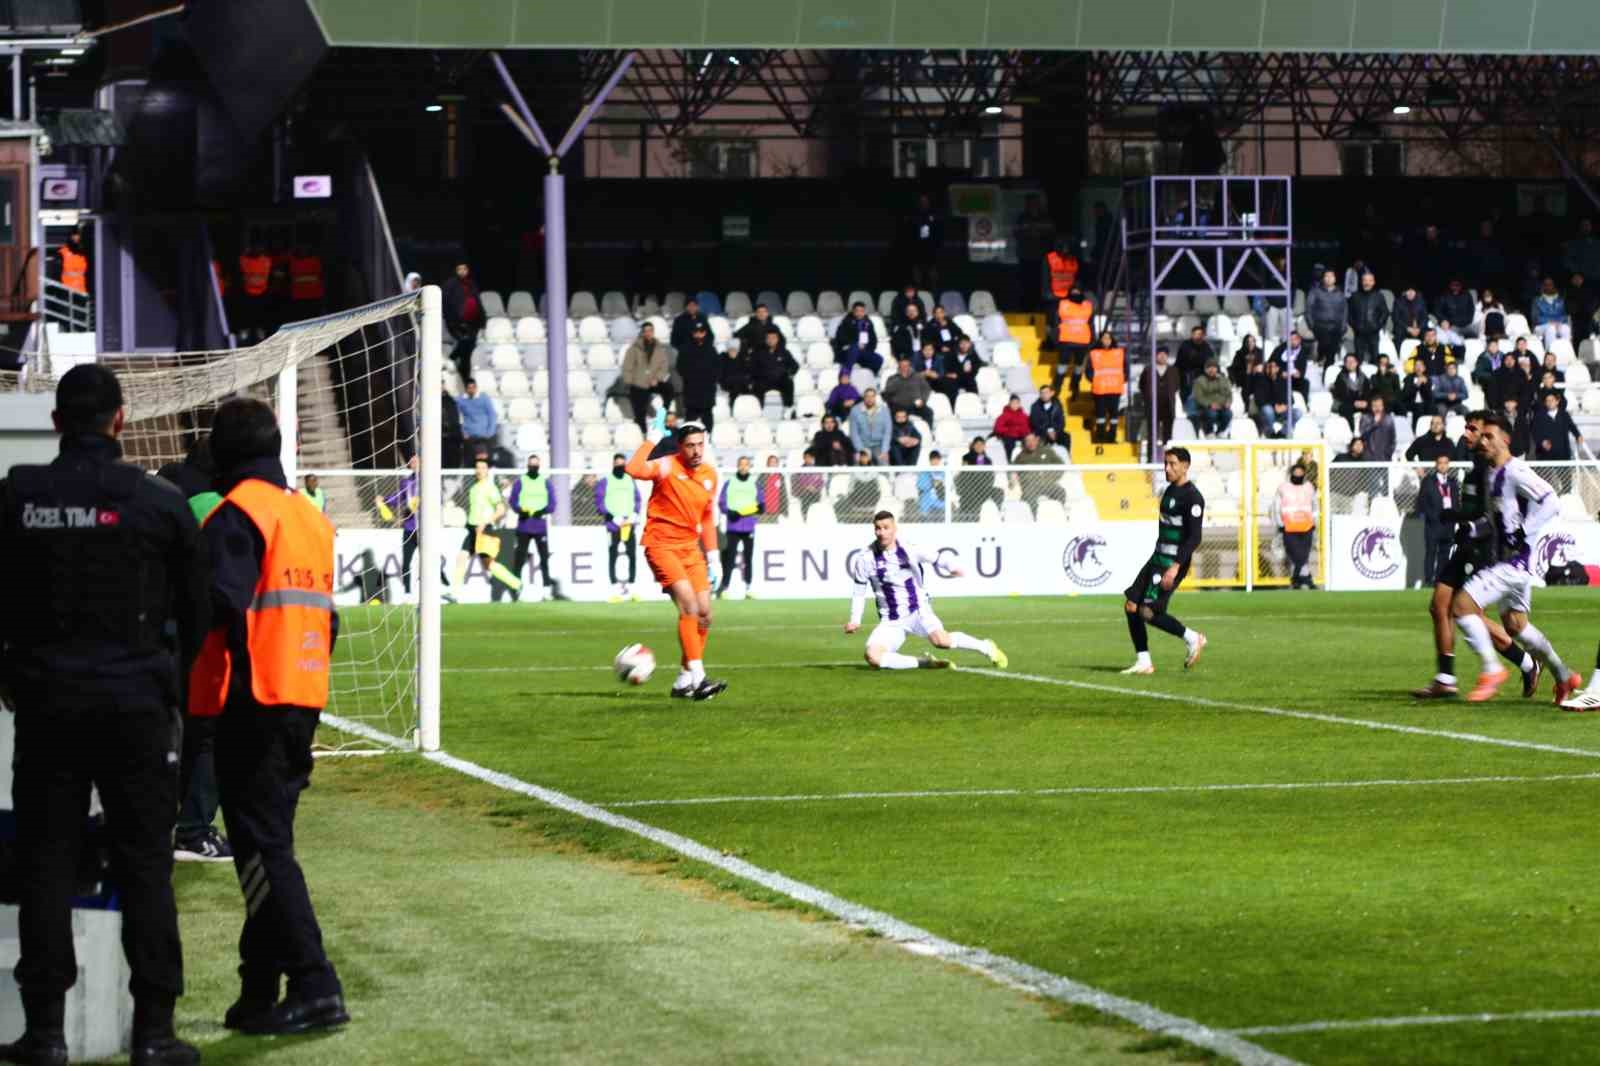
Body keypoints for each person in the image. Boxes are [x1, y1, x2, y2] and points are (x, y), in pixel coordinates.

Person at [0, 366, 210, 1065]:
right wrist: (165, 683)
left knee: (46, 866)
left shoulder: (20, 496)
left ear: (59, 423)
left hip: (47, 704)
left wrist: (12, 673)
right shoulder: (158, 501)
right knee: (145, 866)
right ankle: (153, 1032)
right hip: (135, 711)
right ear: (120, 421)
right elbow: (201, 612)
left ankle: (45, 1033)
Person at [190, 396, 349, 1036]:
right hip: (302, 694)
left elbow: (218, 610)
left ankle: (315, 982)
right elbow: (327, 619)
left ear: (222, 452)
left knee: (262, 850)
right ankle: (258, 989)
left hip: (253, 699)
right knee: (265, 845)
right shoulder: (309, 518)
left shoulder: (238, 515)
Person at [1449, 412, 1582, 703]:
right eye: (1481, 436)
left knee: (1461, 606)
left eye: (1488, 436)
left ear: (1504, 440)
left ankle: (1492, 669)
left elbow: (1550, 500)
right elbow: (1497, 520)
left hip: (1513, 563)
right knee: (1515, 625)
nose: (1483, 440)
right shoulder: (1492, 473)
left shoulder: (1514, 470)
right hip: (1514, 564)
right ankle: (1564, 676)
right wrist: (1471, 529)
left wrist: (1524, 531)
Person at [155, 438, 232, 864]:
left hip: (150, 636)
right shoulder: (216, 509)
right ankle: (194, 829)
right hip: (196, 640)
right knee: (207, 736)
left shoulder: (162, 496)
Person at [626, 423, 726, 700]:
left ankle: (684, 680)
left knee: (705, 613)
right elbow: (633, 469)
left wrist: (714, 555)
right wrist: (651, 440)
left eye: (700, 444)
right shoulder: (666, 466)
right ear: (680, 447)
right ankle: (700, 678)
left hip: (690, 549)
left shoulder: (710, 475)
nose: (696, 451)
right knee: (689, 605)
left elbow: (706, 517)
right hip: (661, 545)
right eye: (690, 445)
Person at [844, 512, 1007, 670]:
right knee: (873, 657)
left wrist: (952, 567)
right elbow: (859, 591)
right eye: (877, 528)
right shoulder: (865, 558)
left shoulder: (909, 549)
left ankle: (986, 647)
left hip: (918, 609)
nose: (881, 532)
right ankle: (926, 663)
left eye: (886, 527)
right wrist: (855, 619)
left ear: (895, 528)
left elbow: (937, 558)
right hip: (891, 620)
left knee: (941, 641)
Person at [1121, 447, 1207, 674]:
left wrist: (1175, 567)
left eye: (1172, 464)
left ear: (1185, 466)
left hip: (1171, 563)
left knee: (1147, 611)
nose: (1167, 468)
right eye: (1165, 464)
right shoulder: (1168, 491)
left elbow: (1194, 537)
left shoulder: (1193, 497)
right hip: (1157, 558)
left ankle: (1192, 637)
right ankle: (1143, 661)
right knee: (1131, 606)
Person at [381, 455, 452, 601]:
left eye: (415, 461)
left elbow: (437, 500)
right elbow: (399, 497)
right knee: (406, 561)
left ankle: (445, 586)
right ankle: (407, 593)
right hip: (409, 527)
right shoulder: (406, 482)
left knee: (431, 558)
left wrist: (421, 503)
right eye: (411, 461)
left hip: (425, 528)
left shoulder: (430, 481)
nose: (412, 463)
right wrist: (385, 500)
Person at [455, 457, 521, 594]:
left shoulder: (490, 488)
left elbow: (501, 509)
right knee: (463, 557)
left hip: (484, 530)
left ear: (487, 470)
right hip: (473, 530)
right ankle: (454, 593)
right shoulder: (473, 488)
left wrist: (485, 523)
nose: (479, 470)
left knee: (488, 564)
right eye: (477, 467)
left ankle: (517, 584)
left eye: (483, 468)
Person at [509, 454, 559, 599]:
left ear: (539, 466)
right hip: (524, 525)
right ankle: (516, 587)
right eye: (531, 465)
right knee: (519, 559)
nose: (533, 467)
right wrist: (521, 510)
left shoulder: (545, 483)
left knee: (544, 558)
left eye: (536, 465)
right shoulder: (520, 482)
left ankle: (546, 589)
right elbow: (513, 501)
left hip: (540, 526)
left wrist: (543, 511)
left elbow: (552, 504)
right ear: (527, 466)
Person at [596, 454, 642, 600]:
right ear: (613, 465)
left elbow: (637, 499)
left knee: (632, 555)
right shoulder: (605, 481)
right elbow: (599, 502)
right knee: (613, 554)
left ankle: (632, 586)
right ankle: (614, 587)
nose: (620, 468)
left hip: (628, 525)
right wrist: (612, 517)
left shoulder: (630, 480)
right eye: (618, 465)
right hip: (613, 525)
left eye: (623, 465)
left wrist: (635, 513)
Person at [717, 456, 760, 598]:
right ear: (737, 466)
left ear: (749, 467)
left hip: (748, 526)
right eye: (741, 464)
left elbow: (761, 504)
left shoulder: (754, 484)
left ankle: (749, 587)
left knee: (748, 558)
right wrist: (729, 512)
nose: (743, 467)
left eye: (746, 465)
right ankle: (725, 587)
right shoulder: (730, 483)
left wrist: (749, 511)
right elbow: (722, 502)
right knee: (729, 558)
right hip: (733, 526)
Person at [622, 322, 675, 434]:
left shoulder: (659, 348)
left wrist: (657, 378)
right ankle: (643, 432)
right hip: (639, 382)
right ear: (642, 333)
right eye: (645, 331)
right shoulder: (634, 348)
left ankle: (661, 419)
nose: (648, 333)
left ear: (653, 332)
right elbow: (627, 367)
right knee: (639, 408)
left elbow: (664, 366)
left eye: (650, 330)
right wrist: (631, 382)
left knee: (669, 389)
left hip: (654, 381)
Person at [1416, 453, 1459, 586]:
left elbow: (1456, 502)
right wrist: (1432, 516)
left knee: (1445, 554)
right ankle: (1429, 581)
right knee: (1431, 553)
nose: (1443, 465)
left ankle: (1440, 581)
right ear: (1436, 465)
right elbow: (1421, 502)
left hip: (1448, 524)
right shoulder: (1428, 481)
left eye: (1445, 463)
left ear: (1448, 465)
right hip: (1433, 525)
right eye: (1440, 463)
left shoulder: (1453, 482)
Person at [1273, 461, 1317, 589]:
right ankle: (1305, 578)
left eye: (1300, 473)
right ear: (1291, 473)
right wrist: (1280, 524)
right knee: (1295, 553)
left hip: (1306, 526)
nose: (1298, 475)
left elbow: (1314, 506)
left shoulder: (1309, 487)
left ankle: (1298, 579)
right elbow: (1277, 507)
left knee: (1304, 553)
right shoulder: (1283, 488)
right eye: (1296, 472)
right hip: (1289, 526)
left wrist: (1313, 522)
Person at [675, 321, 721, 431]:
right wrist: (691, 377)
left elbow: (718, 367)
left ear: (705, 333)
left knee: (708, 417)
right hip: (691, 389)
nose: (699, 335)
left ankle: (708, 439)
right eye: (696, 332)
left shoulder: (711, 349)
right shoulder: (685, 349)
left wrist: (712, 379)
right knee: (690, 419)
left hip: (707, 389)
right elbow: (680, 367)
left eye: (701, 332)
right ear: (692, 333)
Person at [443, 262, 484, 382]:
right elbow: (447, 304)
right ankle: (453, 359)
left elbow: (477, 302)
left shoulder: (471, 284)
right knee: (465, 344)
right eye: (459, 269)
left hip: (472, 324)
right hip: (456, 324)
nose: (462, 271)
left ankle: (464, 377)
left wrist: (482, 320)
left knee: (468, 351)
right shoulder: (450, 285)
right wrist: (452, 321)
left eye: (464, 269)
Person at [1087, 330, 1126, 443]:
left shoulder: (1119, 353)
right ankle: (1100, 437)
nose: (1106, 340)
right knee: (1100, 416)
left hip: (1115, 389)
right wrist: (1094, 380)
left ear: (1112, 340)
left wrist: (1122, 380)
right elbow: (1088, 371)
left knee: (1114, 416)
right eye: (1104, 338)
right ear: (1100, 340)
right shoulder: (1094, 353)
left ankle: (1112, 437)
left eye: (1108, 338)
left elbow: (1126, 369)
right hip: (1100, 389)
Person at [1137, 347, 1180, 446]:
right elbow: (1142, 385)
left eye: (1165, 354)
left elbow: (1177, 386)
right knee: (1152, 433)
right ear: (1155, 356)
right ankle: (1150, 457)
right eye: (1160, 354)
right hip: (1152, 405)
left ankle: (1168, 456)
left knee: (1168, 433)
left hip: (1168, 405)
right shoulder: (1148, 370)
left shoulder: (1173, 370)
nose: (1162, 356)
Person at [1054, 287, 1094, 391]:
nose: (1075, 294)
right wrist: (1056, 337)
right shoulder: (1063, 304)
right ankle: (1057, 385)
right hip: (1066, 340)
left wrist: (1092, 340)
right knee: (1062, 364)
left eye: (1078, 291)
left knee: (1079, 366)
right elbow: (1055, 322)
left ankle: (1075, 385)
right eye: (1073, 292)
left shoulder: (1088, 305)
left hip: (1083, 341)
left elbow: (1091, 323)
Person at [751, 328, 799, 413]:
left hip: (779, 380)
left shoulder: (784, 352)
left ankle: (788, 409)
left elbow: (795, 365)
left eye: (773, 338)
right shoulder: (758, 352)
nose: (771, 340)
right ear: (765, 339)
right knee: (756, 386)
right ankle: (758, 411)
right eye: (768, 338)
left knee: (788, 382)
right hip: (764, 380)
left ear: (777, 339)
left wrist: (789, 373)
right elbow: (752, 367)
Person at [1010, 434, 1065, 507]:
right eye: (1028, 441)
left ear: (1036, 440)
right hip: (1030, 485)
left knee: (1060, 492)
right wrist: (1014, 480)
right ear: (1025, 443)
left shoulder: (1047, 451)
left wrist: (1052, 477)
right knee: (1028, 497)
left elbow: (1060, 465)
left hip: (1047, 483)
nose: (1030, 443)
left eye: (1032, 440)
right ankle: (1033, 517)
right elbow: (1012, 471)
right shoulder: (1021, 456)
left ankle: (1059, 513)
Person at [1306, 269, 1348, 364]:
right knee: (1323, 351)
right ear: (1323, 279)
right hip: (1320, 326)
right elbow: (1309, 309)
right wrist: (1312, 325)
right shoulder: (1315, 292)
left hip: (1336, 327)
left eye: (1331, 276)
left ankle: (1328, 373)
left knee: (1331, 354)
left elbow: (1345, 311)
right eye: (1326, 276)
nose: (1329, 279)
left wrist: (1343, 326)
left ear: (1335, 279)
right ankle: (1320, 362)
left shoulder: (1340, 294)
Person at [1348, 271, 1388, 364]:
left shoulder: (1378, 296)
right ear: (1361, 282)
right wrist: (1355, 326)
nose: (1367, 283)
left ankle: (1374, 378)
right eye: (1365, 280)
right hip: (1359, 333)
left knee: (1375, 359)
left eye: (1370, 280)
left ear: (1373, 282)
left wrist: (1378, 326)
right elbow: (1349, 313)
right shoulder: (1355, 296)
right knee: (1358, 360)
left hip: (1373, 332)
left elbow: (1385, 313)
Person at [956, 438, 1001, 519]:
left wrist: (985, 484)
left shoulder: (988, 460)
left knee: (999, 492)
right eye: (977, 444)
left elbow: (991, 476)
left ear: (984, 446)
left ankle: (998, 515)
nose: (979, 447)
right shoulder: (966, 458)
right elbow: (964, 474)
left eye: (981, 445)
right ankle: (972, 516)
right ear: (973, 446)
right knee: (970, 494)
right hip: (970, 487)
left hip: (984, 487)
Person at [832, 301, 882, 374]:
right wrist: (855, 344)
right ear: (853, 311)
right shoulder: (846, 322)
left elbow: (873, 340)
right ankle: (846, 376)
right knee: (854, 349)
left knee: (879, 359)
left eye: (862, 311)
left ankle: (870, 377)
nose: (859, 313)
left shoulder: (868, 323)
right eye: (857, 311)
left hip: (863, 352)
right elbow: (840, 338)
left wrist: (867, 348)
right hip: (847, 351)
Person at [905, 193, 942, 289]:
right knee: (917, 272)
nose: (924, 203)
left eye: (925, 201)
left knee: (932, 272)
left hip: (931, 248)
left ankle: (934, 291)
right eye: (922, 201)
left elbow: (938, 232)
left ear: (929, 203)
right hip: (917, 248)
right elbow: (910, 232)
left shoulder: (934, 215)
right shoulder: (914, 216)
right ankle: (918, 289)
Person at [456, 378, 498, 460]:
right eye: (469, 388)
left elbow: (492, 415)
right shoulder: (460, 400)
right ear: (465, 389)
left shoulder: (484, 398)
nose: (471, 390)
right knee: (469, 460)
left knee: (486, 460)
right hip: (470, 436)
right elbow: (457, 417)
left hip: (485, 436)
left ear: (476, 388)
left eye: (473, 388)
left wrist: (490, 432)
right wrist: (463, 432)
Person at [849, 388, 892, 465]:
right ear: (863, 397)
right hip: (863, 444)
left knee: (884, 463)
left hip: (879, 445)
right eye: (867, 396)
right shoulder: (855, 410)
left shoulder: (884, 410)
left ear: (875, 397)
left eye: (872, 396)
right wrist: (861, 450)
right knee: (859, 463)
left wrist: (884, 450)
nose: (869, 399)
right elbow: (854, 433)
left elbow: (887, 432)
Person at [1191, 358, 1233, 437]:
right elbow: (1198, 397)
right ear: (1205, 369)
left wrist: (1228, 402)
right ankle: (1209, 432)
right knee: (1211, 414)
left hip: (1222, 406)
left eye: (1214, 367)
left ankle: (1221, 431)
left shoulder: (1224, 380)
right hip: (1206, 407)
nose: (1212, 369)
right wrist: (1210, 404)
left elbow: (1229, 394)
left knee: (1228, 414)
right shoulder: (1199, 381)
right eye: (1209, 367)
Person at [1253, 359, 1291, 438]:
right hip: (1268, 410)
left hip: (1282, 410)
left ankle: (1283, 433)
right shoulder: (1261, 380)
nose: (1270, 369)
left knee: (1297, 412)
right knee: (1267, 410)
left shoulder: (1283, 381)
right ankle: (1271, 434)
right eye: (1268, 367)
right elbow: (1259, 400)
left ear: (1277, 368)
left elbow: (1291, 398)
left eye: (1273, 367)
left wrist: (1285, 406)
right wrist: (1274, 406)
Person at [1175, 324, 1214, 400]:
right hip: (1187, 376)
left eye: (1200, 334)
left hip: (1202, 375)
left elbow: (1211, 362)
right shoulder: (1185, 346)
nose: (1197, 336)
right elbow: (1180, 363)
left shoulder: (1207, 347)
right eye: (1195, 334)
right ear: (1192, 335)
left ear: (1203, 336)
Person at [1532, 275, 1571, 350]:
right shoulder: (1537, 300)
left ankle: (1565, 354)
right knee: (1551, 329)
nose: (1548, 286)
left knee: (1566, 328)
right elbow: (1535, 318)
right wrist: (1550, 322)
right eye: (1546, 285)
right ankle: (1550, 354)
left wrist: (1557, 322)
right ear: (1542, 286)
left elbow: (1565, 316)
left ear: (1554, 286)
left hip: (1558, 324)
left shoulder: (1560, 300)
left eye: (1550, 284)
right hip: (1541, 326)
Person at [1330, 353, 1368, 424]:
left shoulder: (1363, 377)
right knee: (1346, 409)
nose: (1350, 364)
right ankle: (1351, 431)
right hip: (1346, 403)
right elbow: (1341, 395)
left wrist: (1364, 401)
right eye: (1348, 362)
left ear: (1356, 363)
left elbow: (1367, 390)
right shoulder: (1340, 377)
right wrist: (1354, 402)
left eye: (1352, 361)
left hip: (1361, 402)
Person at [1029, 384, 1068, 452]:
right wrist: (1047, 432)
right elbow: (1035, 423)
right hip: (1042, 432)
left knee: (1066, 437)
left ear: (1051, 393)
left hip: (1055, 432)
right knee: (1039, 439)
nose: (1044, 395)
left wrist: (1055, 431)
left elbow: (1062, 422)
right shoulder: (1035, 407)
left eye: (1046, 393)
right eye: (1042, 393)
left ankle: (1066, 459)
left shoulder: (1057, 405)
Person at [1358, 395, 1396, 462]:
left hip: (1384, 458)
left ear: (1383, 406)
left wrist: (1388, 453)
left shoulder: (1389, 419)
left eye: (1379, 406)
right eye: (1375, 406)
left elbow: (1393, 439)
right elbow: (1362, 436)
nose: (1377, 408)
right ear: (1371, 407)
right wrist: (1374, 423)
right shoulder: (1365, 418)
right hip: (1368, 458)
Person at [1391, 283, 1428, 352]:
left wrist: (1419, 328)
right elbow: (1396, 318)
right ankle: (1399, 355)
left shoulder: (1421, 301)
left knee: (1428, 333)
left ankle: (1426, 354)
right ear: (1405, 292)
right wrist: (1408, 328)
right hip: (1404, 327)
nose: (1410, 293)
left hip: (1418, 328)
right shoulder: (1398, 302)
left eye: (1412, 291)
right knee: (1398, 334)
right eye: (1408, 291)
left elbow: (1425, 317)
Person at [916, 452, 945, 519]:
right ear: (930, 460)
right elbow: (921, 486)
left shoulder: (944, 472)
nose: (935, 462)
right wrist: (932, 483)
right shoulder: (924, 472)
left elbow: (948, 487)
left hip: (941, 503)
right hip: (927, 503)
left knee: (941, 520)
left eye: (937, 459)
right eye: (933, 459)